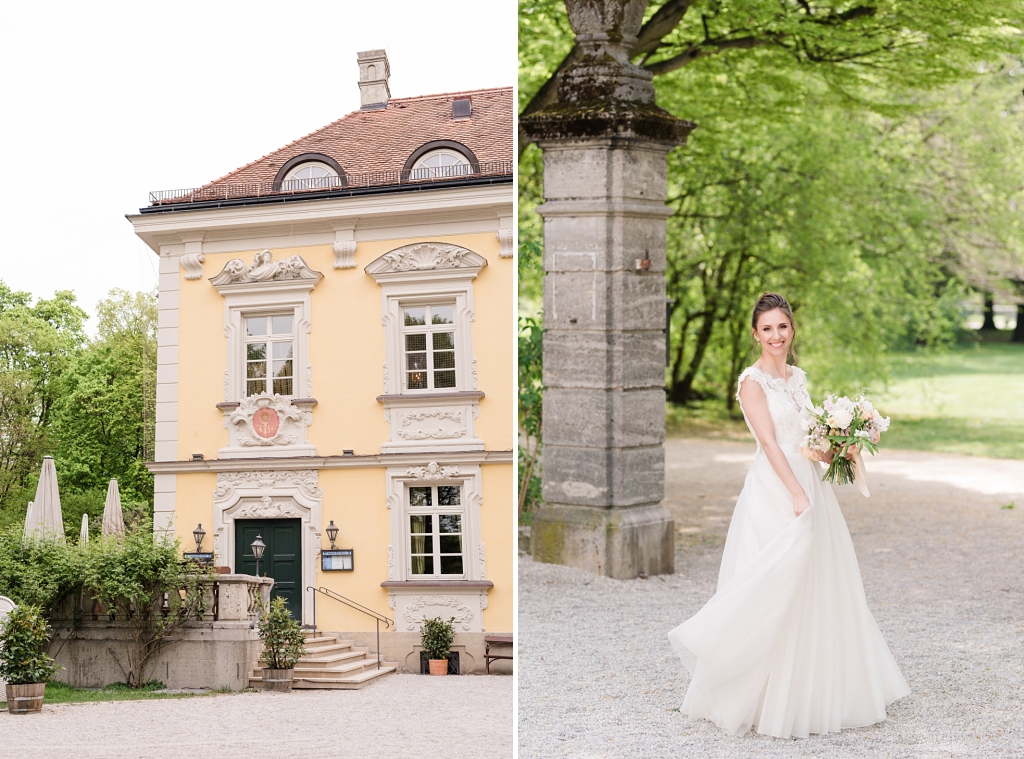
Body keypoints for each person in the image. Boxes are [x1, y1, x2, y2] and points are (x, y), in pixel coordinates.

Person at [667, 292, 909, 739]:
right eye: (767, 329)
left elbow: (803, 440)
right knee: (773, 582)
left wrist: (840, 446)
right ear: (756, 334)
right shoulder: (751, 383)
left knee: (819, 583)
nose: (776, 336)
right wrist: (797, 493)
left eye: (782, 326)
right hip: (777, 490)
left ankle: (814, 690)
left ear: (791, 329)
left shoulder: (798, 378)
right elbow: (770, 443)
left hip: (809, 481)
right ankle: (752, 690)